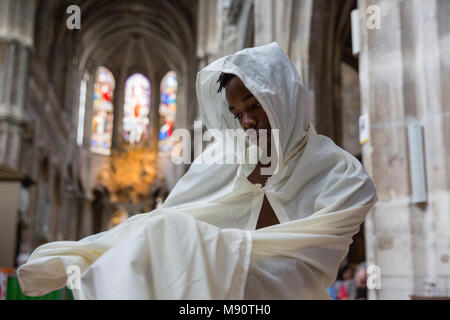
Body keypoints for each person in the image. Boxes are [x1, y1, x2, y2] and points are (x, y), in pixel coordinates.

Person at [17, 42, 377, 299]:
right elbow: (170, 216)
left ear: (282, 96)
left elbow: (312, 260)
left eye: (255, 105)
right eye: (237, 114)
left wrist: (215, 252)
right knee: (158, 230)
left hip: (288, 291)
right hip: (212, 297)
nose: (247, 121)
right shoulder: (223, 158)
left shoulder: (340, 173)